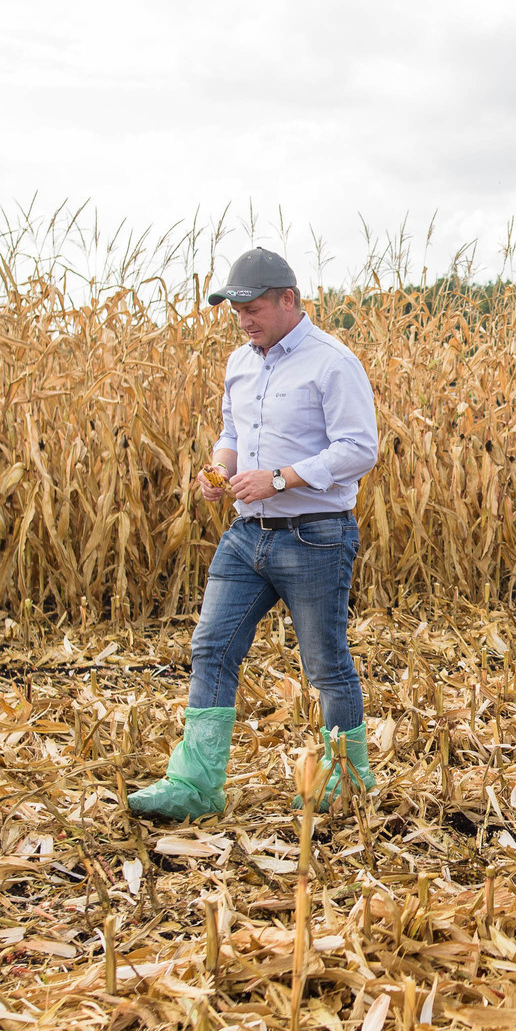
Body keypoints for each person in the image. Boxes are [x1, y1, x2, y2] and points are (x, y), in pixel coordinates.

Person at [128, 247, 380, 821]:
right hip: (247, 536)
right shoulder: (242, 363)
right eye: (235, 308)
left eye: (252, 306)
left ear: (288, 300)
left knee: (325, 663)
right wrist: (219, 469)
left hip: (316, 534)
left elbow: (360, 449)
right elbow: (232, 429)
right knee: (212, 647)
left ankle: (345, 781)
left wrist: (280, 478)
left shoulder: (331, 362)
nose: (243, 319)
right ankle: (195, 785)